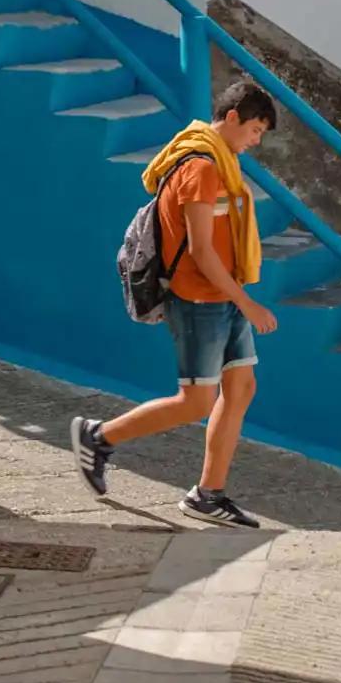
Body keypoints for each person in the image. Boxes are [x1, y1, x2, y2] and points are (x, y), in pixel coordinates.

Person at [71, 78, 279, 527]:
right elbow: (201, 251)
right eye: (254, 130)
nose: (255, 141)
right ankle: (98, 437)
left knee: (241, 388)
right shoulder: (201, 168)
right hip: (200, 298)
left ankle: (208, 494)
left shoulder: (219, 161)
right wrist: (248, 303)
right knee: (196, 402)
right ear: (230, 119)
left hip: (221, 293)